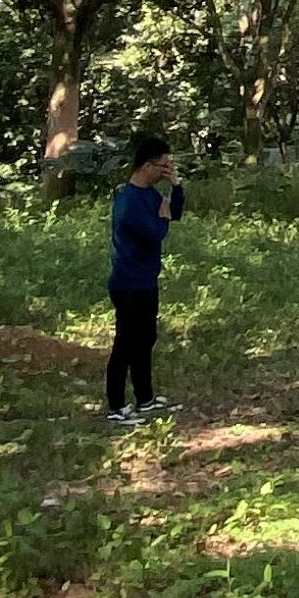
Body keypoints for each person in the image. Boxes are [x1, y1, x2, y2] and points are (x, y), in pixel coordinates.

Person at [106, 130, 183, 423]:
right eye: (163, 166)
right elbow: (154, 234)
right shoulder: (128, 201)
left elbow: (174, 213)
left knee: (146, 338)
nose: (166, 171)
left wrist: (175, 186)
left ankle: (145, 398)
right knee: (125, 343)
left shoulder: (150, 195)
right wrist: (163, 219)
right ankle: (115, 407)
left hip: (147, 281)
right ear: (147, 165)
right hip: (128, 284)